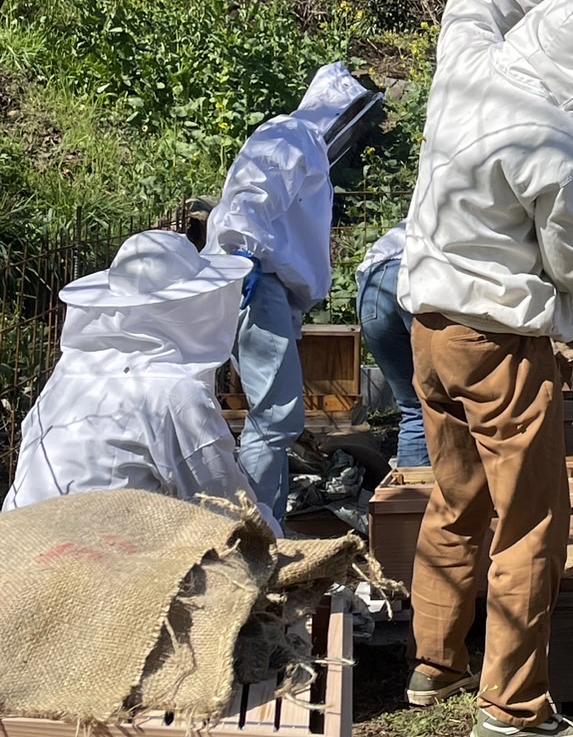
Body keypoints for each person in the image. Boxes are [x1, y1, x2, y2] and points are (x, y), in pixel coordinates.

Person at [397, 0, 573, 737]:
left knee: (456, 498)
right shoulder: (565, 151)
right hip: (498, 350)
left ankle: (436, 663)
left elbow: (469, 4)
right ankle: (513, 708)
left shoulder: (466, 65)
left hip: (429, 330)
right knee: (530, 524)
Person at [2, 230, 281, 536]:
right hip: (95, 553)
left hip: (18, 540)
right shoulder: (175, 392)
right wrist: (278, 535)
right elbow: (227, 509)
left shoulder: (70, 373)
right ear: (194, 304)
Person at [204, 62, 383, 527]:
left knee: (275, 420)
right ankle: (258, 527)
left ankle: (265, 521)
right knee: (275, 419)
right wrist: (241, 253)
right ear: (338, 111)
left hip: (265, 282)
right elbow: (253, 191)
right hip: (256, 278)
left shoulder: (305, 144)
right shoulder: (292, 134)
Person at [355, 221, 428, 468]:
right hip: (418, 274)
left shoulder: (419, 213)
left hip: (372, 286)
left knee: (414, 408)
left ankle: (411, 488)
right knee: (449, 402)